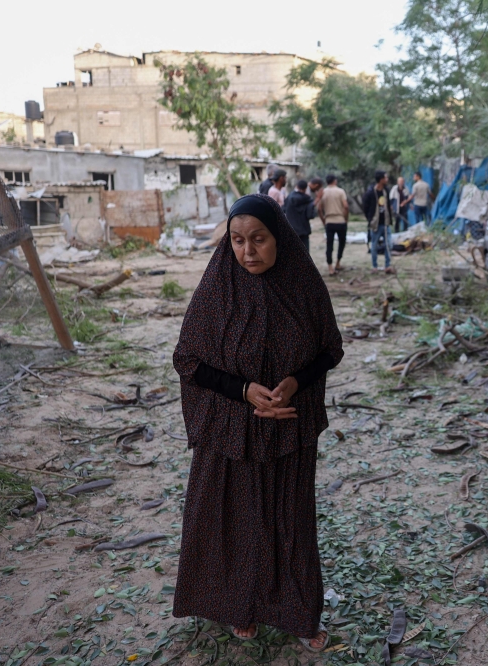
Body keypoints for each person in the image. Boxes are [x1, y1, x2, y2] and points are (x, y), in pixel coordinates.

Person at [172, 193, 343, 653]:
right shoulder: (218, 286)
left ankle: (297, 611)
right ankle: (240, 607)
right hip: (230, 431)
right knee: (235, 521)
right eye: (237, 241)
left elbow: (330, 349)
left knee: (289, 520)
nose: (248, 251)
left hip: (290, 425)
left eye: (259, 239)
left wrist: (294, 382)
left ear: (279, 238)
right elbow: (187, 360)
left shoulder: (304, 284)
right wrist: (245, 392)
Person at [362, 170, 394, 273]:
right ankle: (374, 266)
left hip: (385, 223)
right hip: (376, 224)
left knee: (389, 244)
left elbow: (388, 204)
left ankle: (387, 266)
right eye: (385, 177)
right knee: (374, 246)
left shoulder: (386, 191)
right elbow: (365, 207)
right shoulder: (371, 192)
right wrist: (370, 219)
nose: (387, 179)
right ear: (381, 180)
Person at [317, 174, 348, 275]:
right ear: (335, 181)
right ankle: (338, 263)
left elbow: (319, 209)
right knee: (341, 243)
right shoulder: (340, 191)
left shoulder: (323, 192)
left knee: (329, 245)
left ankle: (330, 267)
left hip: (329, 221)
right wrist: (346, 218)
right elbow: (346, 206)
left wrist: (323, 220)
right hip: (340, 220)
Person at [284, 179, 316, 251]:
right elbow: (310, 214)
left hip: (291, 230)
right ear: (305, 189)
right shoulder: (307, 199)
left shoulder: (289, 197)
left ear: (296, 186)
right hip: (303, 230)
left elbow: (284, 209)